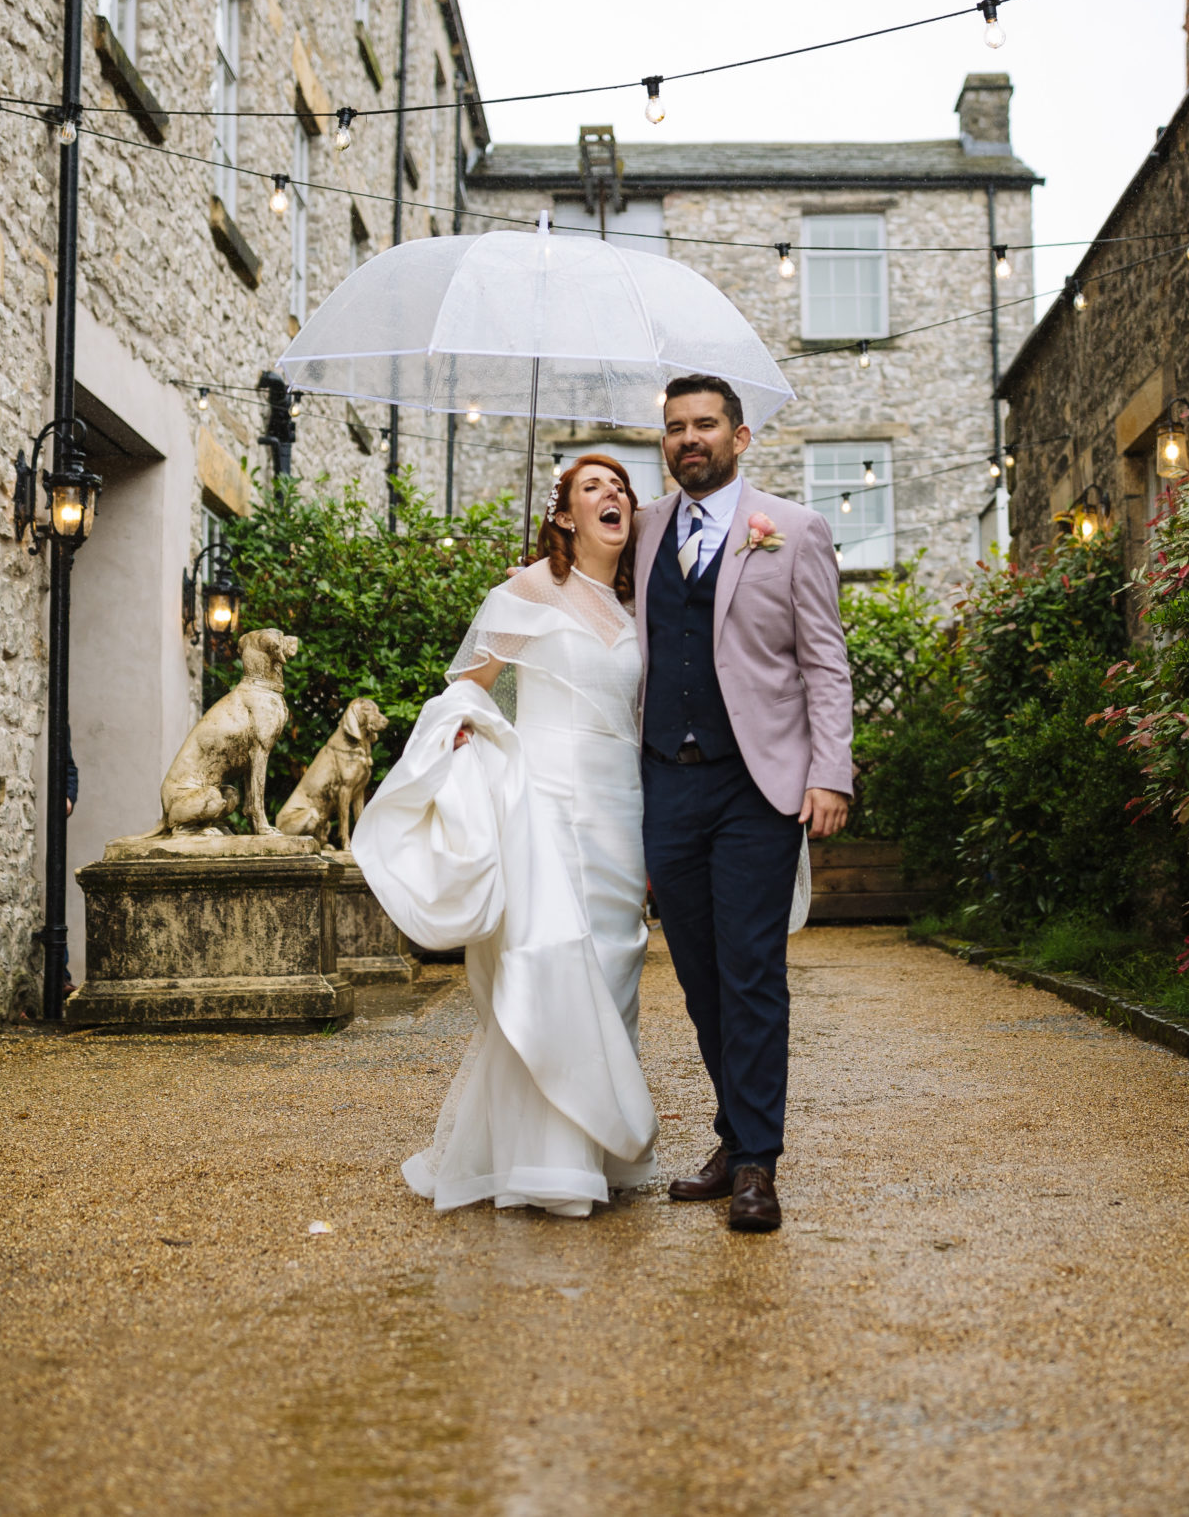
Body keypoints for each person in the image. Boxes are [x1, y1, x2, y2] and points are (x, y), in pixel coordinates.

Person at [358, 455, 660, 1217]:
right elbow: (471, 683)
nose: (613, 495)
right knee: (552, 959)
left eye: (620, 486)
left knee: (616, 961)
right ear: (563, 515)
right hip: (548, 800)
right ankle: (544, 1163)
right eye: (593, 487)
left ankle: (597, 1149)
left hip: (622, 804)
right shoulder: (525, 590)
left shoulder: (639, 606)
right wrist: (461, 733)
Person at [634, 376, 852, 1234]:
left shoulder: (792, 530)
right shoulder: (647, 527)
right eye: (675, 427)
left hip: (757, 783)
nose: (690, 438)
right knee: (696, 977)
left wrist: (829, 771)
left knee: (752, 969)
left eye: (705, 425)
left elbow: (824, 664)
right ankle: (734, 1131)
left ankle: (757, 1162)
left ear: (741, 435)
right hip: (665, 781)